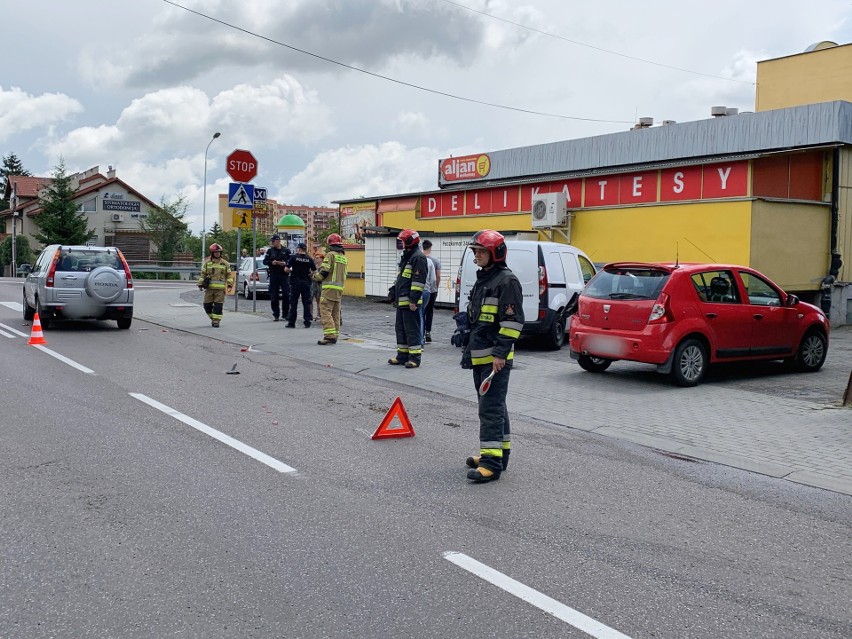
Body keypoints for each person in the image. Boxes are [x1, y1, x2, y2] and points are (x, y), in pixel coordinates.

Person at [461, 230, 524, 483]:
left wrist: (500, 354)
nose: (476, 255)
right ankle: (500, 455)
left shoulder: (506, 281)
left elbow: (512, 323)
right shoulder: (486, 279)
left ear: (495, 253)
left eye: (481, 251)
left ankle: (490, 464)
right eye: (475, 251)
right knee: (496, 406)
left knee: (490, 409)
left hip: (494, 359)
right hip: (481, 356)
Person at [388, 229, 427, 368]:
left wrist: (413, 300)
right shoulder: (407, 257)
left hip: (410, 303)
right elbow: (401, 279)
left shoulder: (418, 257)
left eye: (403, 241)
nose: (402, 244)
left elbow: (418, 281)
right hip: (402, 301)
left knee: (412, 330)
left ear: (410, 241)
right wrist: (393, 291)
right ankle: (402, 356)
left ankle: (415, 358)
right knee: (401, 329)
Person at [312, 234, 348, 345]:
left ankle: (329, 336)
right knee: (335, 313)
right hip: (339, 289)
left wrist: (315, 277)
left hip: (328, 289)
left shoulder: (330, 255)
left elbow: (324, 271)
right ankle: (335, 334)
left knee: (325, 312)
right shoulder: (343, 257)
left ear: (330, 244)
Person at [197, 243, 234, 328]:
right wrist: (200, 283)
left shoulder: (225, 264)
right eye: (215, 252)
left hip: (220, 290)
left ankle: (216, 321)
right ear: (212, 253)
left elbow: (229, 275)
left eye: (219, 252)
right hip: (209, 289)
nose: (217, 253)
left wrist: (230, 284)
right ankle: (213, 318)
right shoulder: (207, 264)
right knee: (207, 305)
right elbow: (203, 274)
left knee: (218, 306)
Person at [285, 243, 317, 328]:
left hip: (295, 283)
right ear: (305, 249)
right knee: (306, 303)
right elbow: (314, 270)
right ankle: (307, 321)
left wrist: (291, 271)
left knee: (293, 303)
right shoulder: (309, 259)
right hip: (306, 283)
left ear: (299, 249)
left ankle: (292, 322)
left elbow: (286, 269)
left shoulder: (294, 257)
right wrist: (309, 274)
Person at [263, 234, 291, 321]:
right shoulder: (270, 251)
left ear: (278, 241)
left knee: (286, 295)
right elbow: (265, 261)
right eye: (273, 241)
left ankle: (285, 314)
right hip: (274, 275)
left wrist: (285, 264)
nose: (273, 243)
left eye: (274, 241)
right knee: (274, 296)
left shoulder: (286, 250)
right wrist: (272, 262)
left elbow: (290, 261)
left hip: (284, 275)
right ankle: (276, 314)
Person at [421, 239, 442, 343]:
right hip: (432, 290)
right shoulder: (435, 260)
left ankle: (421, 334)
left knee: (421, 312)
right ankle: (428, 332)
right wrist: (436, 288)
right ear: (430, 248)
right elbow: (437, 277)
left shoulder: (419, 258)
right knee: (429, 312)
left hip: (421, 289)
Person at [310, 250, 325, 321]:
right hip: (313, 285)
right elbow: (311, 274)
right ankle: (310, 315)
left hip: (320, 284)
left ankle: (319, 315)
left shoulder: (323, 267)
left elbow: (320, 276)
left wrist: (313, 275)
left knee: (319, 300)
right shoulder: (313, 266)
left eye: (318, 258)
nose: (316, 259)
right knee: (310, 299)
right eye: (315, 258)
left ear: (322, 259)